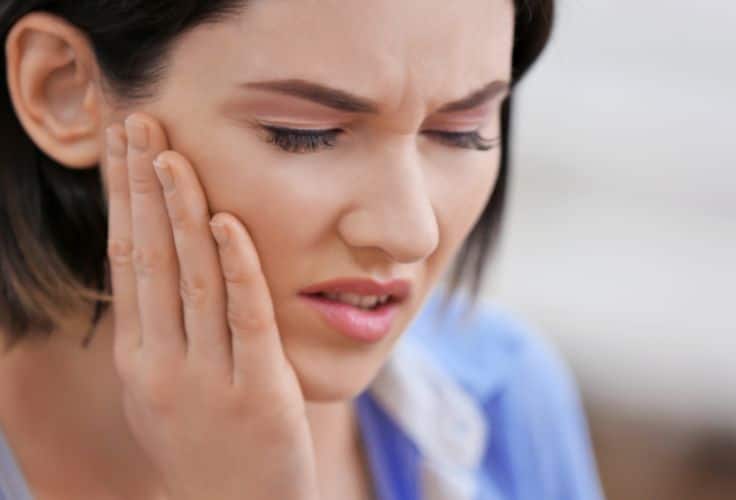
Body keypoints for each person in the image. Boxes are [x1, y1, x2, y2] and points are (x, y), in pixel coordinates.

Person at [0, 1, 604, 499]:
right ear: (63, 88)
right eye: (305, 133)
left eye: (461, 132)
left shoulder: (508, 400)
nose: (410, 232)